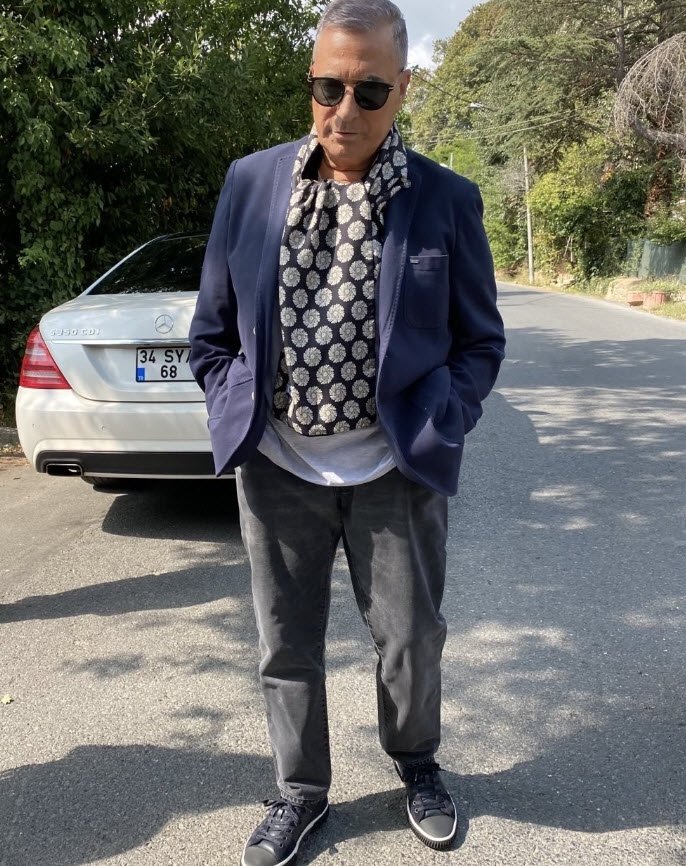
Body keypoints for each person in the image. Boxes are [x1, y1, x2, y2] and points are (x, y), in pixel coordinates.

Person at [190, 1, 505, 863]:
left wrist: (445, 417)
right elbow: (212, 331)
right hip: (278, 463)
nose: (345, 110)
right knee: (285, 645)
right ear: (311, 83)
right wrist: (234, 407)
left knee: (411, 639)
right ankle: (300, 792)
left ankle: (418, 763)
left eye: (369, 91)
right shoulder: (251, 184)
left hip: (394, 467)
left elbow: (480, 341)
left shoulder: (444, 200)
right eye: (328, 87)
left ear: (403, 88)